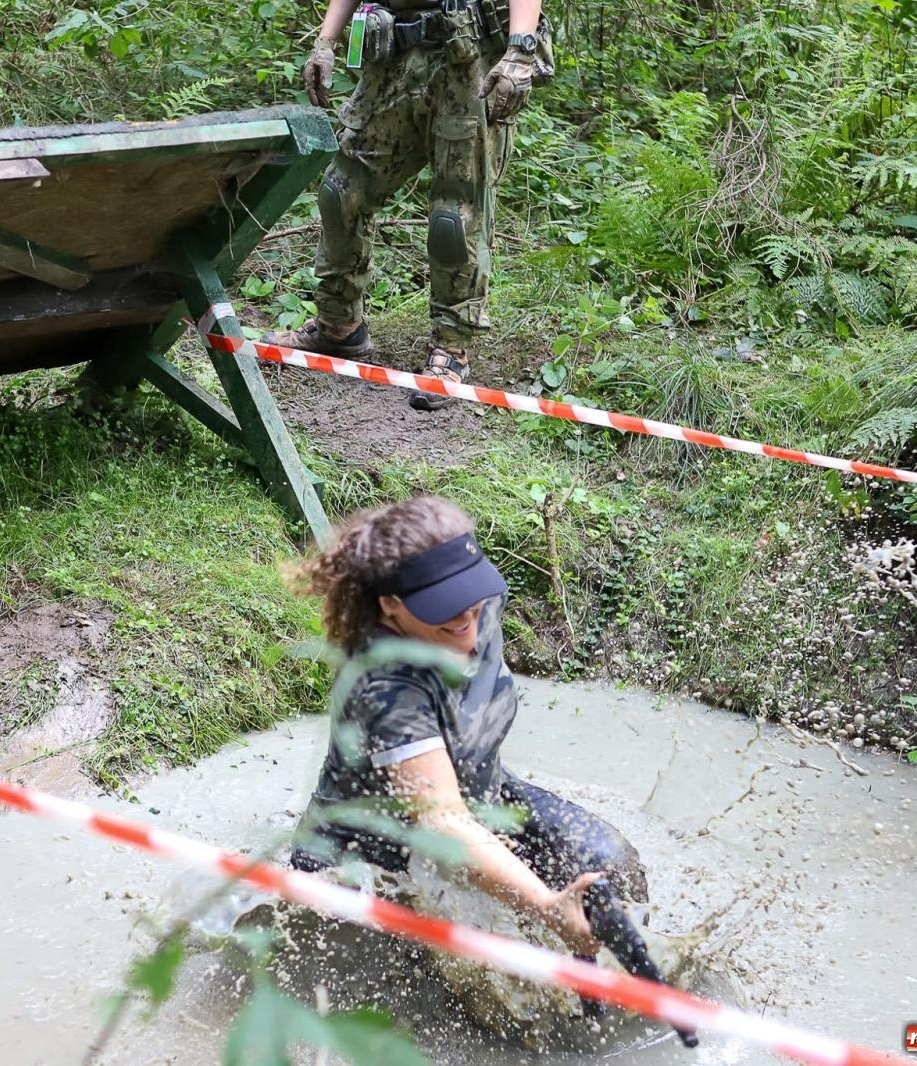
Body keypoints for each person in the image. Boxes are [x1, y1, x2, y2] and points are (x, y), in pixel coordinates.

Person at [287, 495, 698, 1045]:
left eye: (469, 593)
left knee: (608, 864)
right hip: (374, 860)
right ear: (390, 607)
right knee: (457, 1016)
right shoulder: (385, 686)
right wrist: (548, 906)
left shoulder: (482, 598)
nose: (466, 616)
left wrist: (572, 909)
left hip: (486, 798)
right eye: (442, 605)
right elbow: (442, 823)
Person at [265, 0, 554, 410]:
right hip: (393, 55)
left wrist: (520, 52)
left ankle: (451, 351)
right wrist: (326, 41)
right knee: (341, 190)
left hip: (465, 57)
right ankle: (339, 325)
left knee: (453, 217)